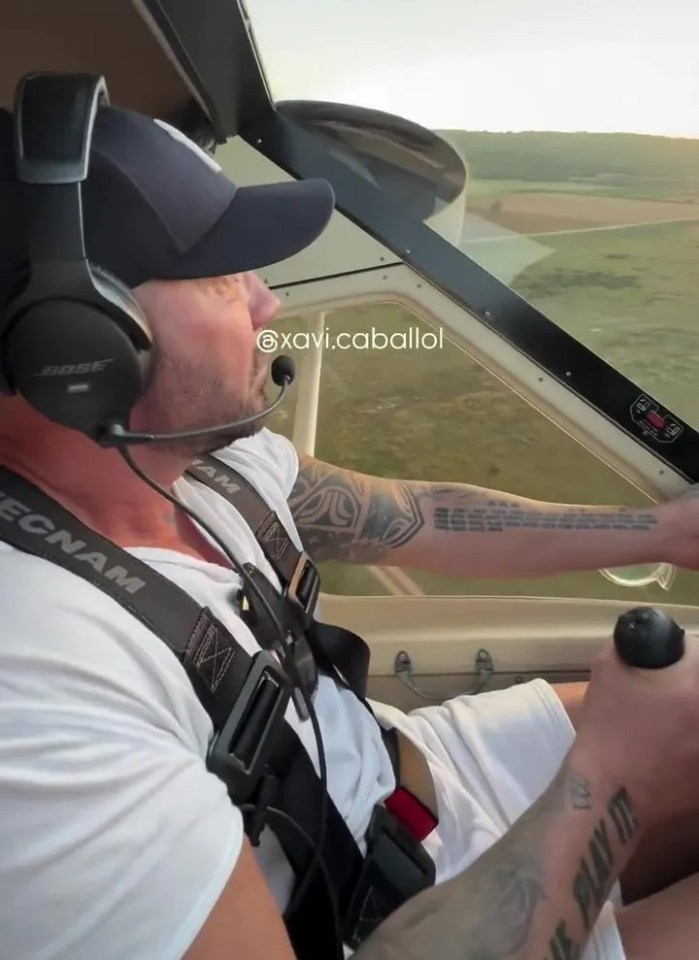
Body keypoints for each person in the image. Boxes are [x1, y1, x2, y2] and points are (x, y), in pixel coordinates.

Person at [3, 97, 699, 960]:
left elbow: (418, 519)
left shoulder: (197, 461)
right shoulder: (34, 687)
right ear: (83, 346)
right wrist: (612, 778)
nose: (266, 303)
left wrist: (666, 531)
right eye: (224, 276)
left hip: (410, 786)